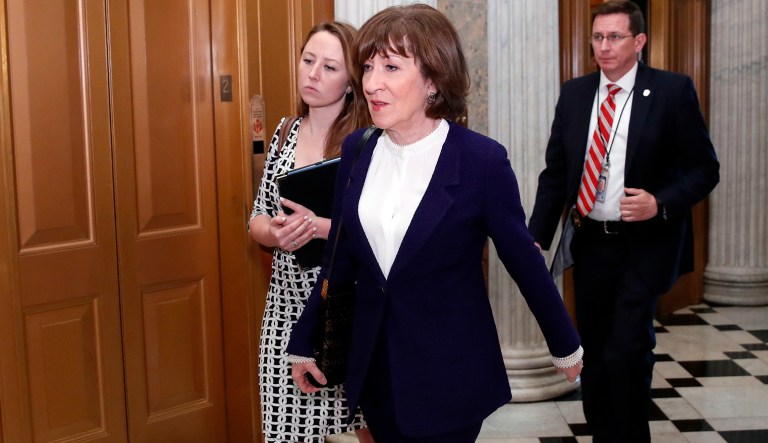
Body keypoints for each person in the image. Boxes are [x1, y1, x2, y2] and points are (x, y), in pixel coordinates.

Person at [286, 5, 583, 442]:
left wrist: (564, 343)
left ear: (432, 79)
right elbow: (339, 256)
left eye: (391, 66)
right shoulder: (357, 150)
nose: (372, 83)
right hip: (377, 367)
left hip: (450, 371)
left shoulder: (481, 160)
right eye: (368, 67)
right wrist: (305, 335)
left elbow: (521, 257)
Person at [527, 1, 720, 441]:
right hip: (591, 243)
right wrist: (534, 238)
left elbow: (705, 169)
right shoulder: (575, 94)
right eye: (597, 37)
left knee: (627, 351)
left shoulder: (672, 91)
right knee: (593, 349)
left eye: (615, 37)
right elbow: (556, 173)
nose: (604, 47)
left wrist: (661, 202)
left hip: (644, 244)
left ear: (639, 42)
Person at [248, 21, 373, 443]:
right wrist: (274, 233)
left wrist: (321, 228)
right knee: (283, 432)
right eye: (308, 60)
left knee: (363, 426)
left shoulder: (367, 144)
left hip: (346, 306)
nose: (313, 74)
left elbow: (385, 230)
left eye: (330, 66)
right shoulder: (283, 132)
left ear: (352, 81)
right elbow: (257, 218)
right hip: (284, 311)